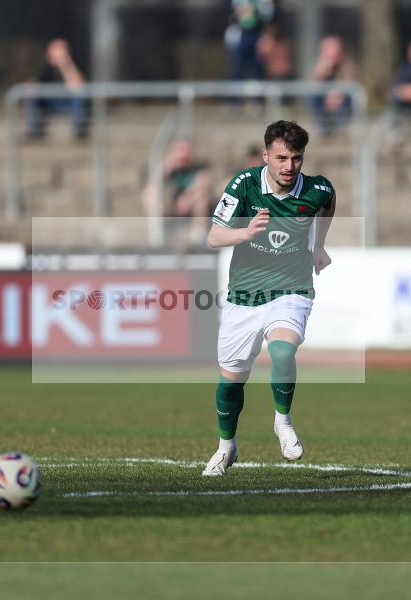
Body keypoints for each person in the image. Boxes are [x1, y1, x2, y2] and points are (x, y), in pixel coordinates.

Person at [202, 120, 335, 476]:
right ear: (265, 156)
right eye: (281, 158)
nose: (289, 166)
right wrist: (244, 232)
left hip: (291, 289)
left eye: (296, 158)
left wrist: (318, 245)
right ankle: (226, 447)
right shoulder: (244, 186)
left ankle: (282, 421)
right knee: (231, 380)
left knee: (282, 349)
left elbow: (328, 204)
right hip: (243, 296)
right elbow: (213, 237)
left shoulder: (317, 188)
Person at [141, 139, 214, 243]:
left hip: (192, 205)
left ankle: (198, 235)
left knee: (201, 196)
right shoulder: (166, 169)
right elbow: (151, 186)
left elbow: (204, 182)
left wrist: (188, 198)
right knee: (149, 195)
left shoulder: (199, 167)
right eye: (179, 150)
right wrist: (163, 169)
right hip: (171, 205)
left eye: (186, 150)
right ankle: (154, 233)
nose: (183, 154)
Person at [26, 39, 88, 141]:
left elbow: (77, 86)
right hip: (51, 103)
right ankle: (35, 132)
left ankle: (79, 133)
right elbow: (33, 83)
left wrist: (65, 64)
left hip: (69, 102)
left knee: (79, 99)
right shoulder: (45, 66)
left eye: (61, 50)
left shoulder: (74, 63)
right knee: (34, 99)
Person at [310, 36, 356, 137]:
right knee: (312, 97)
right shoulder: (321, 62)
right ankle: (322, 127)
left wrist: (336, 95)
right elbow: (316, 82)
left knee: (348, 99)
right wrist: (327, 67)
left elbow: (348, 83)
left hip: (340, 97)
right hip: (324, 97)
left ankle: (340, 128)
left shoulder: (346, 62)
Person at [226, 0, 275, 82]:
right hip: (241, 35)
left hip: (257, 34)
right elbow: (234, 14)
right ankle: (235, 93)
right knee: (238, 68)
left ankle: (258, 93)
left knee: (258, 68)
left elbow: (267, 16)